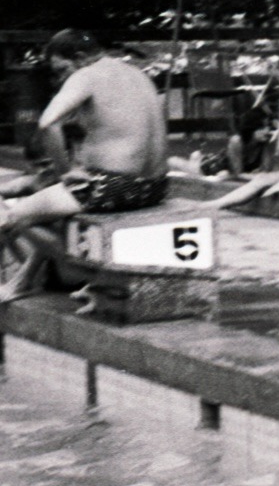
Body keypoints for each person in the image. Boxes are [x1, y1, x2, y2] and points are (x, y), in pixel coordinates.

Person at [0, 30, 169, 301]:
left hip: (112, 186)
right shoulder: (136, 73)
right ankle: (25, 280)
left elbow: (48, 123)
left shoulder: (86, 75)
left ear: (79, 58)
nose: (60, 78)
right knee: (48, 206)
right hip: (157, 185)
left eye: (61, 69)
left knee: (11, 218)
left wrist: (65, 172)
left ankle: (105, 279)